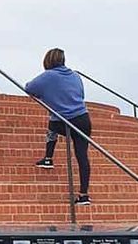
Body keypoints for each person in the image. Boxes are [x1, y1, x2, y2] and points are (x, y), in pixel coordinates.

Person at [26, 48, 93, 204]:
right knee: (82, 156)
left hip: (64, 121)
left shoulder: (48, 75)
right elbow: (81, 95)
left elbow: (29, 88)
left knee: (52, 125)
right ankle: (84, 195)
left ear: (47, 61)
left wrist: (45, 94)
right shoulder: (75, 75)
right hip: (83, 119)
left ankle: (48, 158)